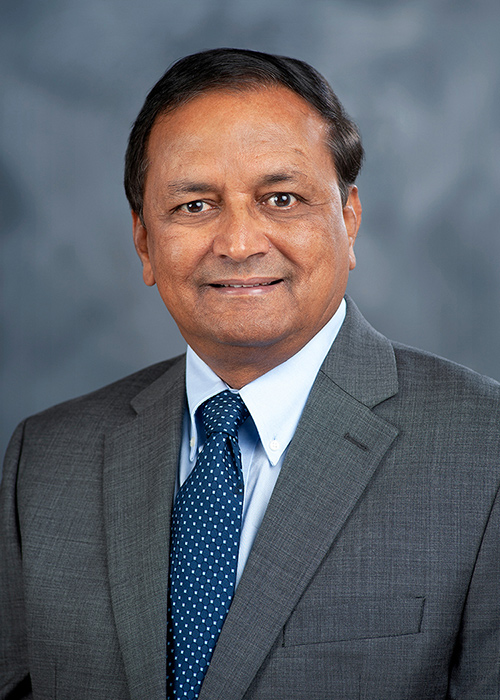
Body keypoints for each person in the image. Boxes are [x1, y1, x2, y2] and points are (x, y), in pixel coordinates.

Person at [1, 48, 499, 700]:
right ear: (144, 242)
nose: (239, 243)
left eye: (281, 198)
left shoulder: (484, 452)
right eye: (195, 206)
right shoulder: (44, 459)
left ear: (348, 220)